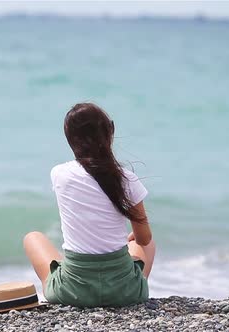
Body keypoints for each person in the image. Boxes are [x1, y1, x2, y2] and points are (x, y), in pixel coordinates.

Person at [23, 102, 156, 307]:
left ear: (70, 140)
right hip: (125, 292)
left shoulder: (59, 174)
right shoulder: (126, 179)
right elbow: (144, 239)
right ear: (109, 132)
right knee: (142, 243)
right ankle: (130, 281)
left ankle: (65, 274)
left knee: (32, 238)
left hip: (72, 292)